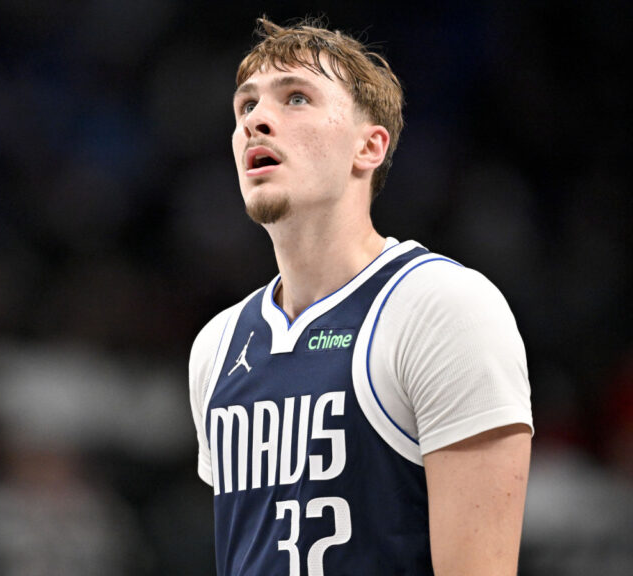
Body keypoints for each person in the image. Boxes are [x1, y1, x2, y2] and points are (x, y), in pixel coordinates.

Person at [188, 16, 533, 576]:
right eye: (246, 105)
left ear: (369, 146)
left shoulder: (444, 308)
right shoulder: (217, 345)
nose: (256, 120)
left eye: (296, 98)